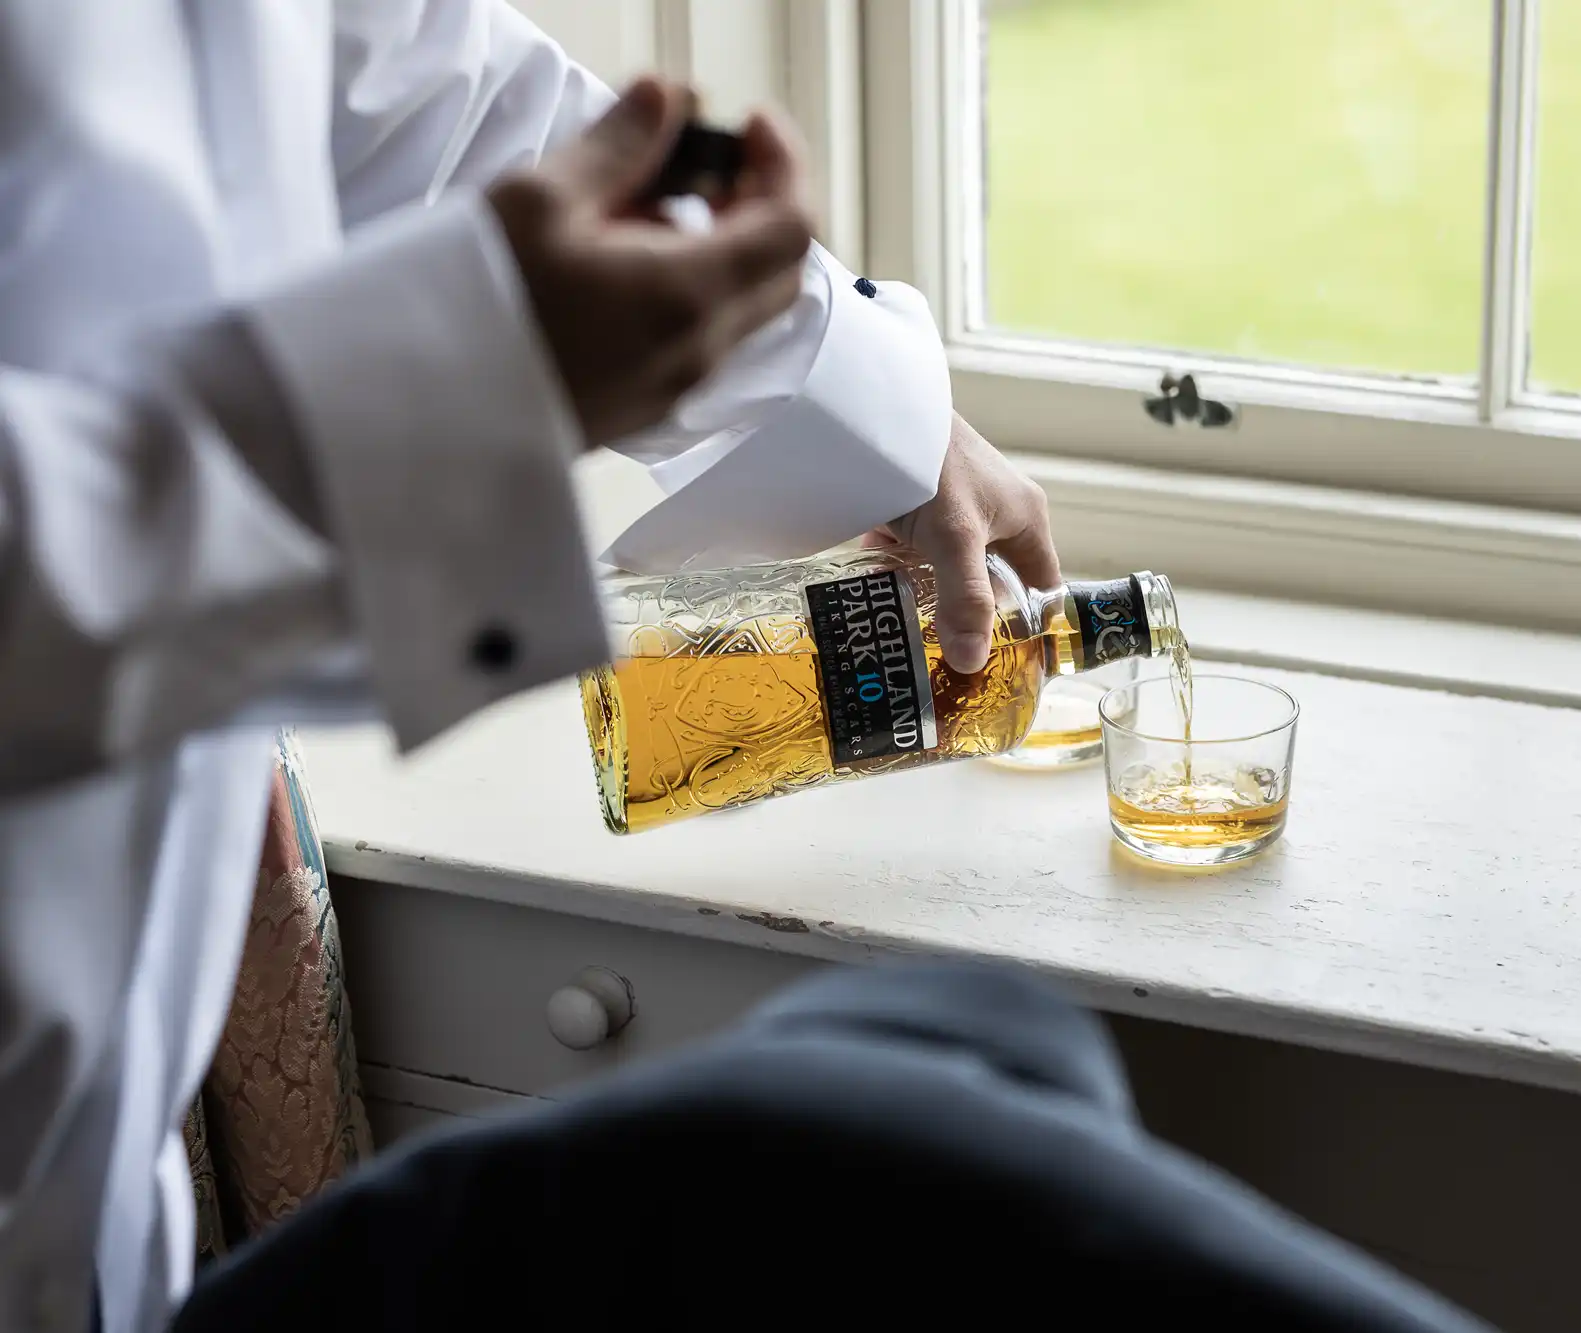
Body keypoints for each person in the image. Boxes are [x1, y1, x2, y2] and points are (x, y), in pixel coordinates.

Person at [0, 5, 1487, 1331]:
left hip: (99, 1227)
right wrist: (461, 381)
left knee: (982, 1022)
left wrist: (882, 413)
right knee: (874, 1152)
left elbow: (417, 85)